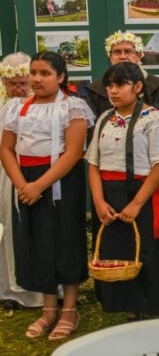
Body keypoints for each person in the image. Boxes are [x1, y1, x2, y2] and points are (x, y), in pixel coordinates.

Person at [0, 52, 94, 339]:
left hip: (59, 181)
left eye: (45, 73)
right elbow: (7, 148)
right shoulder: (16, 107)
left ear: (61, 77)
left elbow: (74, 152)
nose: (37, 79)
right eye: (34, 73)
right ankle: (48, 308)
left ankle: (69, 308)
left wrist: (39, 185)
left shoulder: (72, 107)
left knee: (64, 239)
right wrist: (21, 184)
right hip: (25, 181)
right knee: (36, 239)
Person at [85, 62, 159, 321]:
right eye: (110, 85)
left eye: (120, 84)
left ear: (138, 87)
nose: (113, 91)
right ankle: (126, 308)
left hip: (142, 194)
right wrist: (99, 201)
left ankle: (150, 310)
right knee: (117, 250)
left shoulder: (153, 118)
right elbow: (93, 163)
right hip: (109, 196)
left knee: (146, 250)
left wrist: (137, 203)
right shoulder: (104, 118)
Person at [0, 53, 42, 311]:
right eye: (11, 83)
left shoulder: (42, 107)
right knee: (8, 228)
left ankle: (45, 290)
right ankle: (10, 290)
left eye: (22, 83)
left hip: (36, 174)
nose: (18, 88)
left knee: (39, 229)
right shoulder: (5, 109)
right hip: (6, 176)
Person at [80, 31, 159, 130]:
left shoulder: (156, 86)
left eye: (128, 51)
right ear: (110, 57)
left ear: (138, 55)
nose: (123, 56)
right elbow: (93, 130)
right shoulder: (95, 90)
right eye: (117, 52)